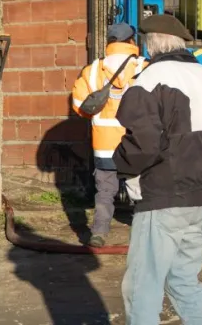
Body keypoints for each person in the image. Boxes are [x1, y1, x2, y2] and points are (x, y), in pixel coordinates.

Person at [114, 14, 202, 325]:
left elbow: (143, 144)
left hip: (161, 196)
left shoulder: (149, 79)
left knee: (142, 288)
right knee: (183, 281)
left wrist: (118, 164)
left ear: (150, 43)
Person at [71, 23, 147, 248]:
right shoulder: (144, 67)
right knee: (139, 189)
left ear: (110, 42)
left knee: (105, 191)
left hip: (104, 143)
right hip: (135, 142)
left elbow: (80, 105)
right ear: (132, 41)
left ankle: (99, 233)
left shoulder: (93, 69)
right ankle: (144, 232)